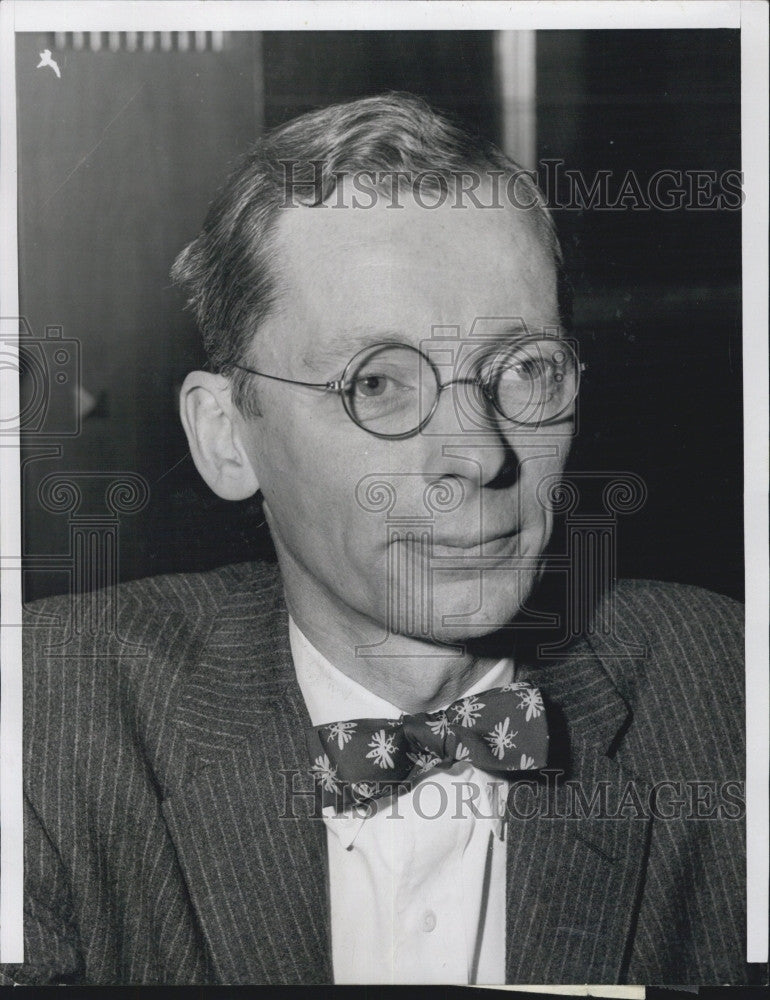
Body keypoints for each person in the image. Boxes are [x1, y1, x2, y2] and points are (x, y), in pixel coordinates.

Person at [2, 93, 748, 986]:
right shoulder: (43, 721)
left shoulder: (733, 701)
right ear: (226, 436)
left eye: (525, 369)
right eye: (380, 383)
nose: (477, 453)